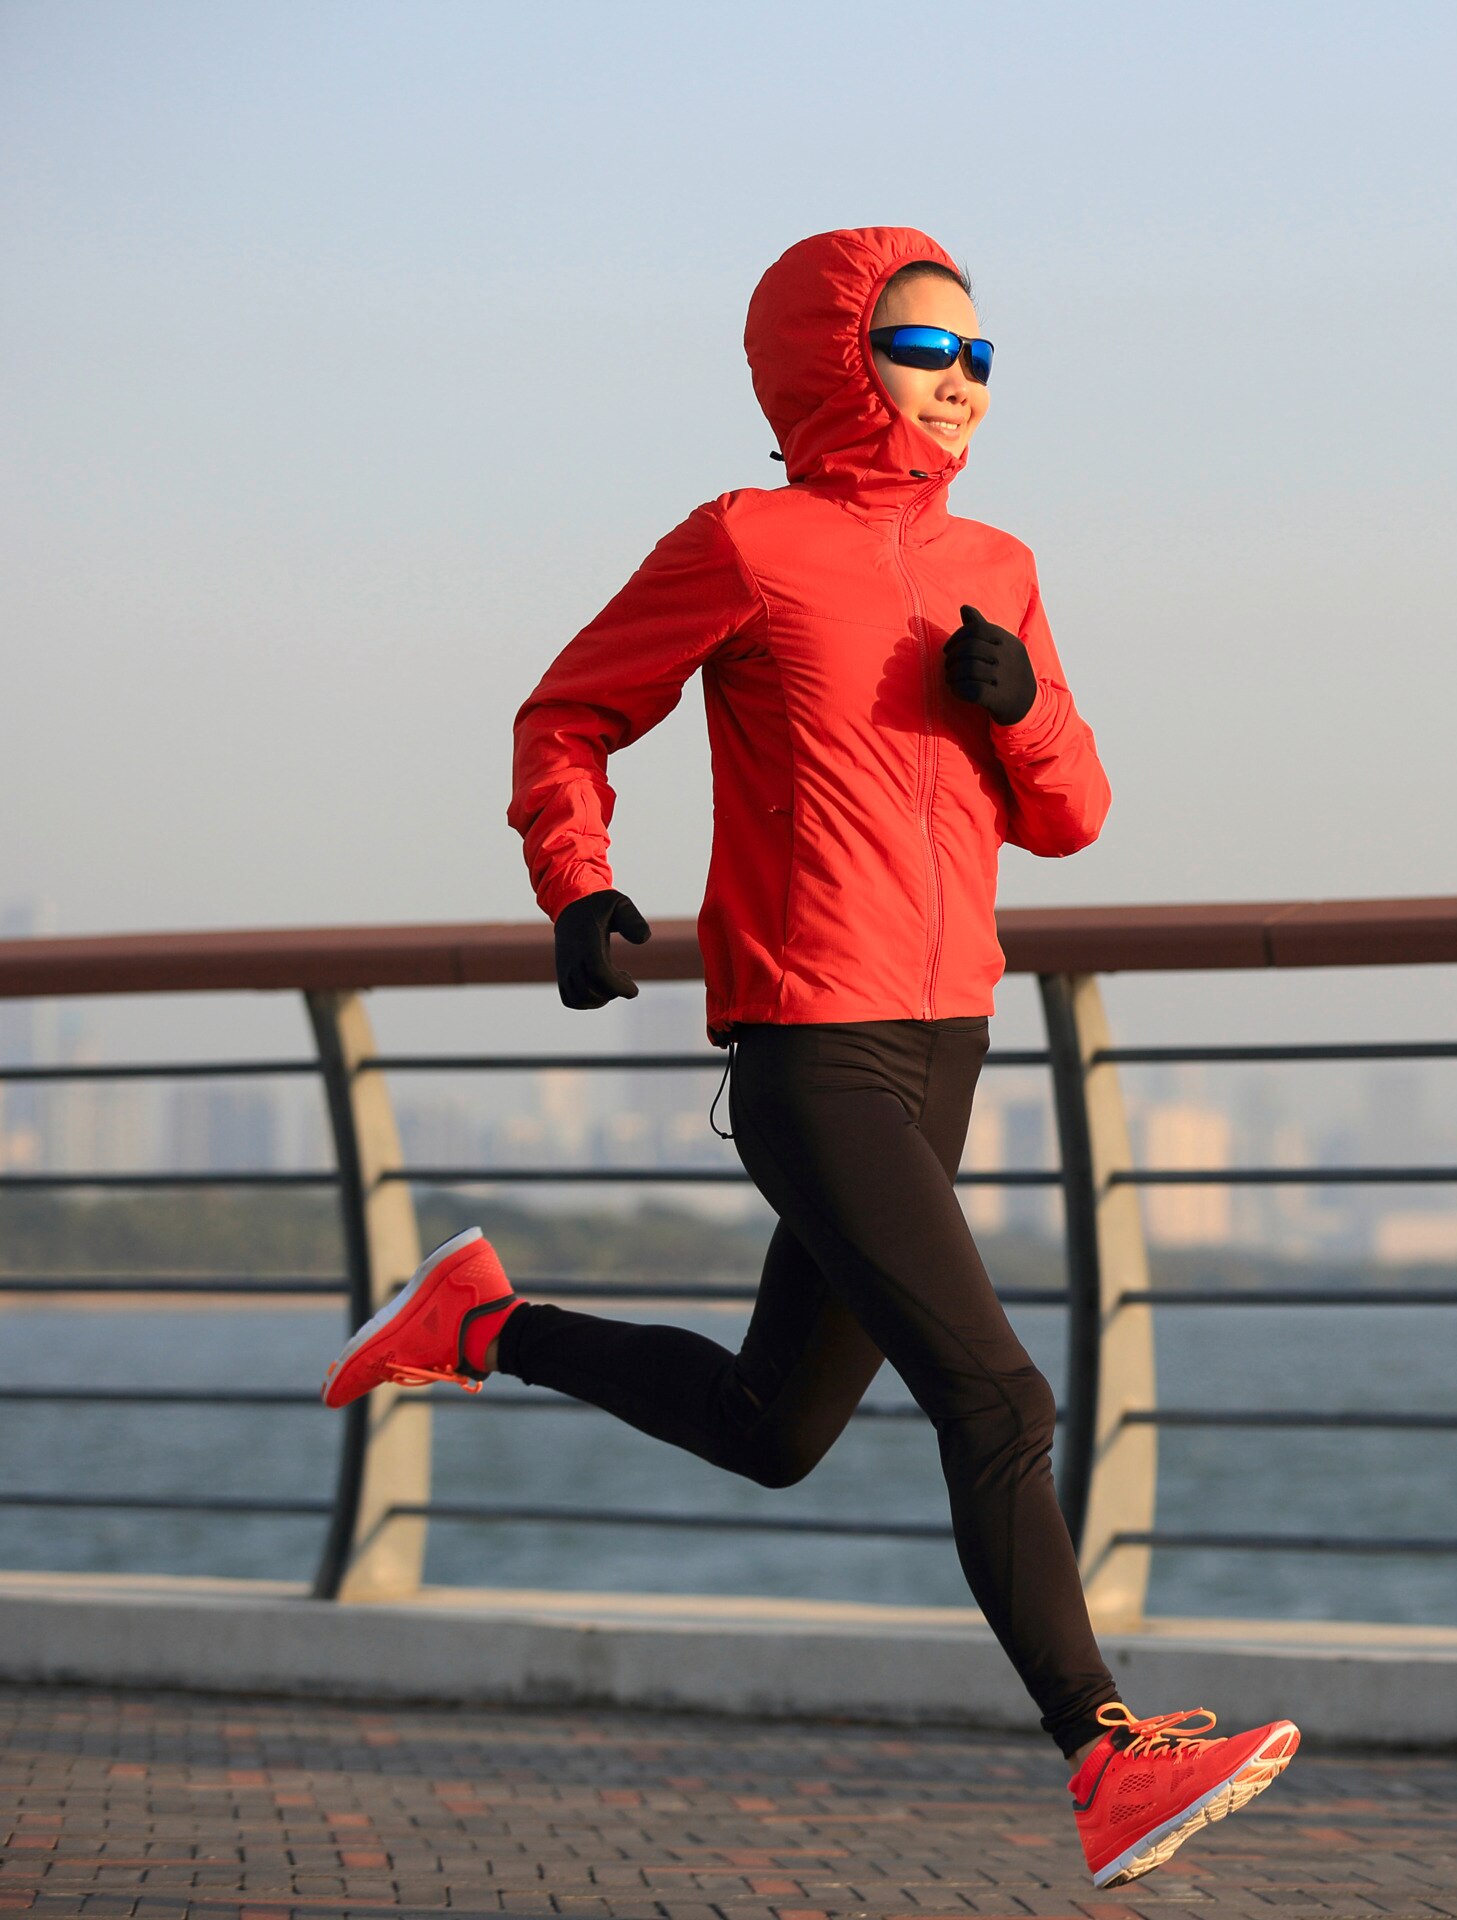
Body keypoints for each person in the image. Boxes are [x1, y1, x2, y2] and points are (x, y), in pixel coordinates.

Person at [319, 225, 1297, 1890]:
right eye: (930, 351)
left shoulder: (1004, 559)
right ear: (843, 362)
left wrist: (1020, 707)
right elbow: (567, 716)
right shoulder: (748, 543)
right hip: (813, 1045)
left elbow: (1072, 819)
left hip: (946, 1041)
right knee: (997, 1395)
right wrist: (581, 882)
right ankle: (1106, 1753)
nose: (965, 383)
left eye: (986, 356)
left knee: (776, 1429)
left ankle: (476, 1321)